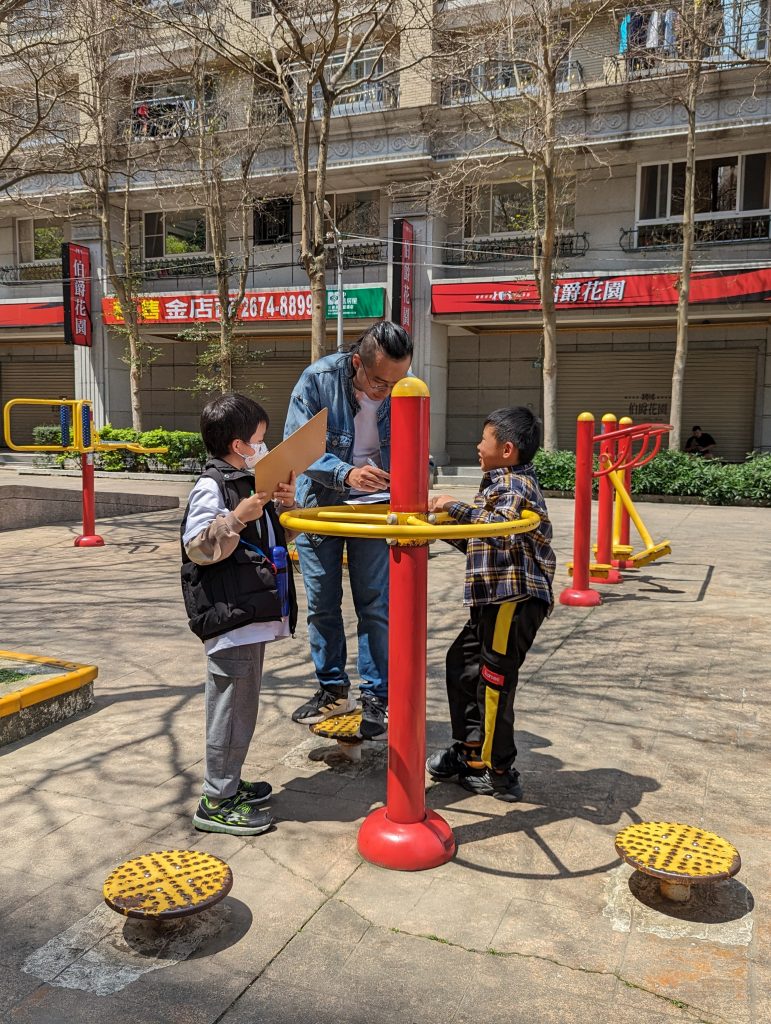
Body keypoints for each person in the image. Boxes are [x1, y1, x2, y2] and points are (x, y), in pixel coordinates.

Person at [284, 321, 413, 739]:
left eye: (396, 383)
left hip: (375, 508)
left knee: (374, 602)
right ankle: (332, 689)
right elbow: (297, 447)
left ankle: (377, 696)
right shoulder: (318, 380)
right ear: (357, 362)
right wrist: (346, 473)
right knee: (322, 602)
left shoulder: (406, 388)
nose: (386, 392)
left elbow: (413, 445)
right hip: (321, 501)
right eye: (379, 382)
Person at [180, 393, 298, 836]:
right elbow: (198, 547)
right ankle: (216, 800)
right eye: (260, 439)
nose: (264, 447)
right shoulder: (213, 486)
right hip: (231, 619)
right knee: (230, 709)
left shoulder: (249, 481)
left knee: (241, 707)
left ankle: (228, 782)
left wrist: (283, 505)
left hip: (250, 614)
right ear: (238, 445)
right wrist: (236, 518)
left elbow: (273, 538)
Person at [425, 407, 556, 801]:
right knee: (462, 664)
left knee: (493, 680)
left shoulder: (515, 484)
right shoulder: (499, 482)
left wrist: (451, 505)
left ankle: (499, 771)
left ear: (507, 449)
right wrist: (438, 528)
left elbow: (497, 532)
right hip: (493, 599)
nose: (478, 447)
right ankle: (469, 752)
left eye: (484, 440)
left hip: (513, 600)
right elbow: (481, 541)